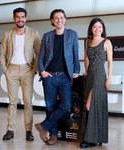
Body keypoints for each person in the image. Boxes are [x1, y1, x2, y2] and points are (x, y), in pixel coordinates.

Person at [35, 9, 80, 145]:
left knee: (66, 105)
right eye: (56, 18)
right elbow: (41, 57)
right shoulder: (47, 36)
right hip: (49, 76)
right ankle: (53, 135)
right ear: (52, 21)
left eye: (61, 17)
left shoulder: (72, 34)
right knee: (50, 106)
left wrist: (76, 70)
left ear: (65, 19)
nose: (59, 20)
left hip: (65, 77)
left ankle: (43, 126)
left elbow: (75, 54)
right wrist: (42, 71)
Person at [0, 7, 41, 141]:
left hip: (27, 70)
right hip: (11, 70)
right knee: (12, 102)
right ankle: (10, 130)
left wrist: (35, 69)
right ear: (14, 18)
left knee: (28, 102)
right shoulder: (7, 34)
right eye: (17, 17)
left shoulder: (34, 33)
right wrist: (5, 70)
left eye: (22, 17)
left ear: (26, 18)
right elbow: (2, 54)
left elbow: (39, 53)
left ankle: (28, 131)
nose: (20, 19)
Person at [80, 18, 113, 148]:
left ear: (103, 29)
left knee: (90, 104)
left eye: (99, 27)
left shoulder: (106, 42)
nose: (97, 29)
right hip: (91, 76)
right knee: (92, 107)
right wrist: (87, 71)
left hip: (100, 76)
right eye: (95, 27)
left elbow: (110, 61)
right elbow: (86, 57)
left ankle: (89, 138)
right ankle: (93, 138)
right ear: (91, 29)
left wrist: (109, 78)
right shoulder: (88, 42)